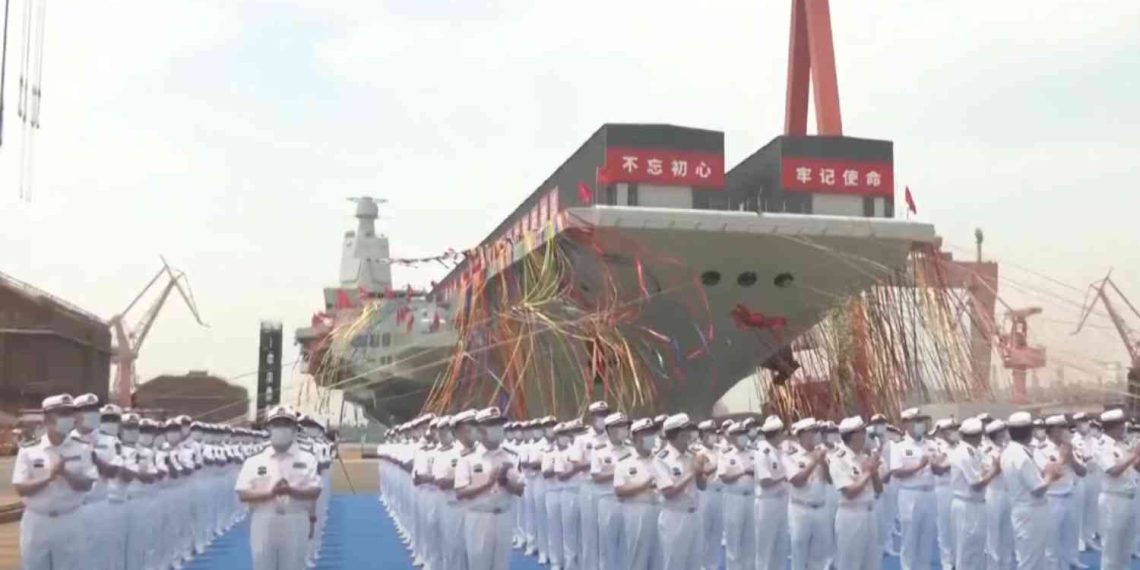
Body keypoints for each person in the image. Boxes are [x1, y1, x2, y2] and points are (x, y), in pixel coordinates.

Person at [11, 393, 97, 570]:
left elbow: (87, 484)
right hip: (37, 522)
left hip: (70, 520)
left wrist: (65, 473)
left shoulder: (81, 447)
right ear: (48, 418)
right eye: (63, 413)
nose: (69, 418)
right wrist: (48, 477)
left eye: (70, 413)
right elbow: (20, 487)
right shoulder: (29, 449)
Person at [235, 406, 322, 570]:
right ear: (268, 428)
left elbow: (315, 490)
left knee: (294, 566)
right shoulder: (254, 461)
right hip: (263, 520)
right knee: (262, 565)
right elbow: (243, 493)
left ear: (295, 429)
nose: (281, 428)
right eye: (277, 424)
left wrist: (291, 491)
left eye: (286, 424)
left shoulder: (308, 459)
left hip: (295, 519)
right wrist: (270, 493)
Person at [455, 407, 526, 570]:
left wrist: (506, 481)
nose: (497, 429)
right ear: (480, 430)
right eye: (492, 425)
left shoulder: (511, 456)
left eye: (499, 424)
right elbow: (461, 492)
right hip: (479, 518)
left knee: (501, 565)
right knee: (479, 564)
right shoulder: (468, 459)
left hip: (504, 517)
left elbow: (520, 489)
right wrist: (488, 482)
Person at [1001, 411, 1062, 570]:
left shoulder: (1011, 451)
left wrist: (1046, 475)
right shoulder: (1021, 455)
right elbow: (1037, 489)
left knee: (1034, 558)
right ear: (1028, 431)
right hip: (1030, 511)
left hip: (1025, 509)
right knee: (1031, 561)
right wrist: (1050, 475)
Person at [654, 413, 709, 570]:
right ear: (676, 435)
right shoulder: (661, 459)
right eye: (685, 433)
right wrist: (692, 472)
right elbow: (669, 492)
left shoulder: (691, 455)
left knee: (695, 563)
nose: (689, 437)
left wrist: (700, 473)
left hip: (694, 515)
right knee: (674, 564)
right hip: (674, 517)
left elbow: (702, 486)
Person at [1034, 414, 1088, 570]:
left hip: (1070, 496)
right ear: (1052, 431)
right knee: (1052, 544)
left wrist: (1070, 458)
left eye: (1065, 427)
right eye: (1061, 428)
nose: (1065, 431)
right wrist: (1063, 459)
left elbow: (1082, 472)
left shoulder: (1071, 448)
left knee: (1068, 540)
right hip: (1052, 499)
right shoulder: (1042, 450)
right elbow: (1048, 473)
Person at [829, 416, 882, 570]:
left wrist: (874, 472)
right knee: (850, 563)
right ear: (853, 436)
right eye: (862, 431)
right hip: (851, 516)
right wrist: (867, 473)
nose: (865, 435)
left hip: (870, 513)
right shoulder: (839, 459)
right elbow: (849, 492)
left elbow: (879, 489)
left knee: (871, 563)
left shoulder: (864, 457)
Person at [890, 408, 940, 570]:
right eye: (915, 421)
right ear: (906, 424)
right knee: (910, 538)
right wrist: (919, 466)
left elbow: (938, 469)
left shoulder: (931, 445)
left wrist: (939, 465)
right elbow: (896, 472)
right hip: (910, 495)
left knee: (927, 539)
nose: (920, 425)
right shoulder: (899, 447)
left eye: (921, 421)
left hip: (930, 494)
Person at [948, 417, 1000, 570]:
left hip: (976, 504)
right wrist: (994, 472)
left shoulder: (973, 451)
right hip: (966, 505)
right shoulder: (965, 453)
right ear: (977, 435)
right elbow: (976, 484)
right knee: (966, 550)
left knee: (977, 549)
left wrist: (988, 472)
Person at [1094, 409, 1139, 570]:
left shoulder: (1122, 444)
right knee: (1111, 551)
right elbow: (1113, 470)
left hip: (1130, 498)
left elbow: (1134, 468)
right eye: (1122, 425)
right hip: (1113, 501)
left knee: (1125, 549)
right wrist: (1134, 454)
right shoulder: (1102, 446)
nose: (1125, 428)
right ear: (1114, 426)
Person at [614, 418, 661, 570]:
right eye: (647, 434)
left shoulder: (660, 459)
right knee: (637, 556)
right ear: (636, 438)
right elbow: (619, 490)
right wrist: (645, 484)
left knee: (659, 556)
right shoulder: (624, 462)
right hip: (637, 511)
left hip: (659, 510)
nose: (652, 438)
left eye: (652, 433)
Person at [590, 412, 632, 570]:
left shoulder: (631, 448)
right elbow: (596, 476)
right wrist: (618, 470)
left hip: (628, 501)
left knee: (626, 545)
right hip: (608, 500)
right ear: (611, 430)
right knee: (607, 545)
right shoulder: (599, 450)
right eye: (621, 427)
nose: (625, 430)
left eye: (626, 426)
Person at [718, 421, 756, 570]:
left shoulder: (753, 452)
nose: (742, 437)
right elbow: (724, 476)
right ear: (732, 437)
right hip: (734, 498)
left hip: (751, 498)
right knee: (734, 540)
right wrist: (743, 471)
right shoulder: (726, 454)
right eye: (739, 434)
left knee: (750, 541)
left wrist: (751, 472)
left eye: (743, 434)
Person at [753, 414, 789, 570]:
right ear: (776, 432)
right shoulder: (762, 452)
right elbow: (765, 481)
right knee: (765, 548)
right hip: (766, 503)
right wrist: (784, 477)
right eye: (781, 432)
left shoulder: (779, 450)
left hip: (781, 502)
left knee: (780, 547)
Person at [579, 401, 611, 570]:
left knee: (606, 533)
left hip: (608, 488)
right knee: (590, 533)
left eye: (605, 415)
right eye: (599, 415)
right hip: (589, 487)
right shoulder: (582, 438)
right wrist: (593, 464)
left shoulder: (611, 437)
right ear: (592, 417)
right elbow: (576, 463)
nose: (603, 418)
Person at [982, 419, 1014, 570]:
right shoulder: (987, 451)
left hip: (1008, 493)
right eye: (1003, 432)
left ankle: (1006, 566)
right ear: (996, 434)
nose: (1006, 434)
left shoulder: (1007, 449)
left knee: (1007, 535)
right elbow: (990, 470)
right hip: (993, 492)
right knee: (993, 536)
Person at [695, 419, 724, 570]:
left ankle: (713, 566)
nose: (712, 435)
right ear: (702, 435)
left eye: (714, 432)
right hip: (706, 493)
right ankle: (701, 566)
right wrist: (716, 466)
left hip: (720, 493)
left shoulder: (720, 449)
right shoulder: (697, 452)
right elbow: (699, 473)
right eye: (709, 433)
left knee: (716, 533)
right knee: (703, 532)